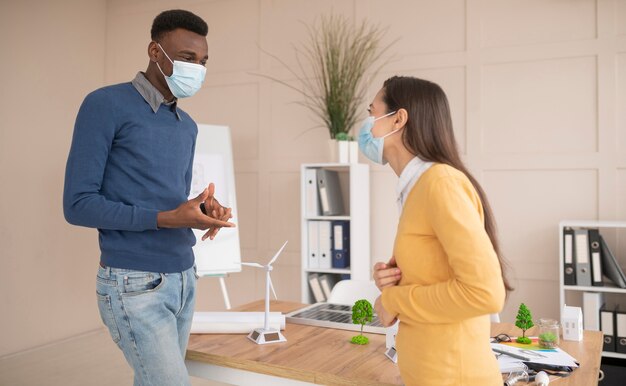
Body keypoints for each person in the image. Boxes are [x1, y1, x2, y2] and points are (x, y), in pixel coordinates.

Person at [63, 10, 235, 386]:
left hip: (185, 276)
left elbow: (170, 199)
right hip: (133, 281)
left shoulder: (185, 126)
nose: (198, 69)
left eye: (203, 62)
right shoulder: (105, 105)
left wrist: (204, 210)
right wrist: (166, 218)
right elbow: (77, 204)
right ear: (155, 52)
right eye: (188, 58)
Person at [361, 76, 512, 385]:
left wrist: (394, 302)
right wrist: (395, 281)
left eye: (371, 112)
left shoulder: (440, 184)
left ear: (398, 119)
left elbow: (485, 293)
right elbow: (437, 277)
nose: (367, 124)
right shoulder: (418, 187)